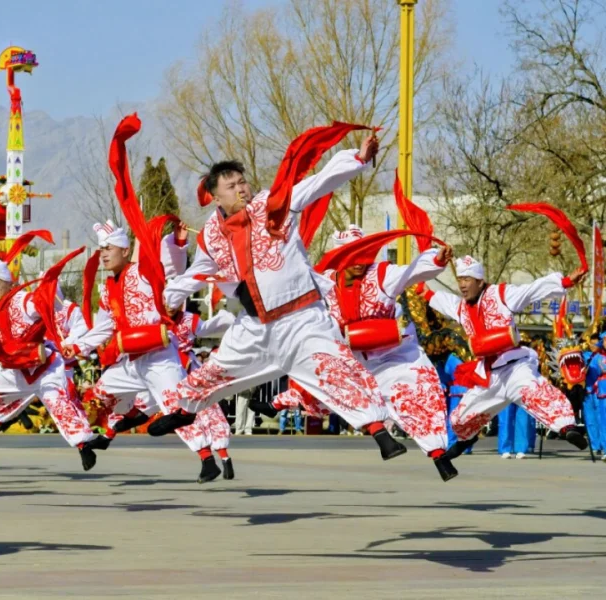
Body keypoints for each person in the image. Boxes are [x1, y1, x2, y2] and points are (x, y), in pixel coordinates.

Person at [147, 135, 410, 464]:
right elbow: (200, 270)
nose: (241, 189)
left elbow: (318, 183)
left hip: (301, 318)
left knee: (336, 370)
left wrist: (357, 158)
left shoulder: (272, 203)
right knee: (214, 371)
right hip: (253, 326)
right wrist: (172, 294)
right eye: (231, 186)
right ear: (216, 196)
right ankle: (185, 411)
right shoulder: (212, 232)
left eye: (242, 182)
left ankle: (380, 432)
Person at [63, 220, 223, 482]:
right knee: (102, 391)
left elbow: (170, 267)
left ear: (125, 251)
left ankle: (207, 459)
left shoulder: (142, 272)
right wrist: (79, 346)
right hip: (130, 360)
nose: (103, 254)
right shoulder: (108, 290)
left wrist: (177, 243)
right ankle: (128, 418)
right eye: (101, 249)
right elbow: (103, 327)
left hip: (159, 356)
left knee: (174, 408)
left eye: (109, 248)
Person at [313, 225, 457, 480]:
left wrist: (435, 259)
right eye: (353, 256)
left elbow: (412, 271)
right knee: (326, 381)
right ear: (340, 256)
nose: (360, 262)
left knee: (421, 394)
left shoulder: (381, 274)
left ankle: (438, 454)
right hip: (356, 361)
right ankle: (381, 436)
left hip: (395, 356)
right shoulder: (324, 282)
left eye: (364, 254)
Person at [421, 255, 588, 458]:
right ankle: (467, 438)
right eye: (460, 280)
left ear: (479, 281)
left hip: (514, 366)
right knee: (460, 418)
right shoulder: (460, 307)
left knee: (535, 392)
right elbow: (438, 299)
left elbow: (530, 291)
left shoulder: (501, 295)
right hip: (490, 375)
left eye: (467, 279)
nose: (462, 285)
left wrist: (566, 282)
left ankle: (567, 428)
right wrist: (420, 283)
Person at [0, 259, 109, 470]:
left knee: (60, 404)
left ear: (9, 283)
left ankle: (84, 446)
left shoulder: (23, 301)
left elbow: (39, 303)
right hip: (18, 369)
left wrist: (47, 297)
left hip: (46, 368)